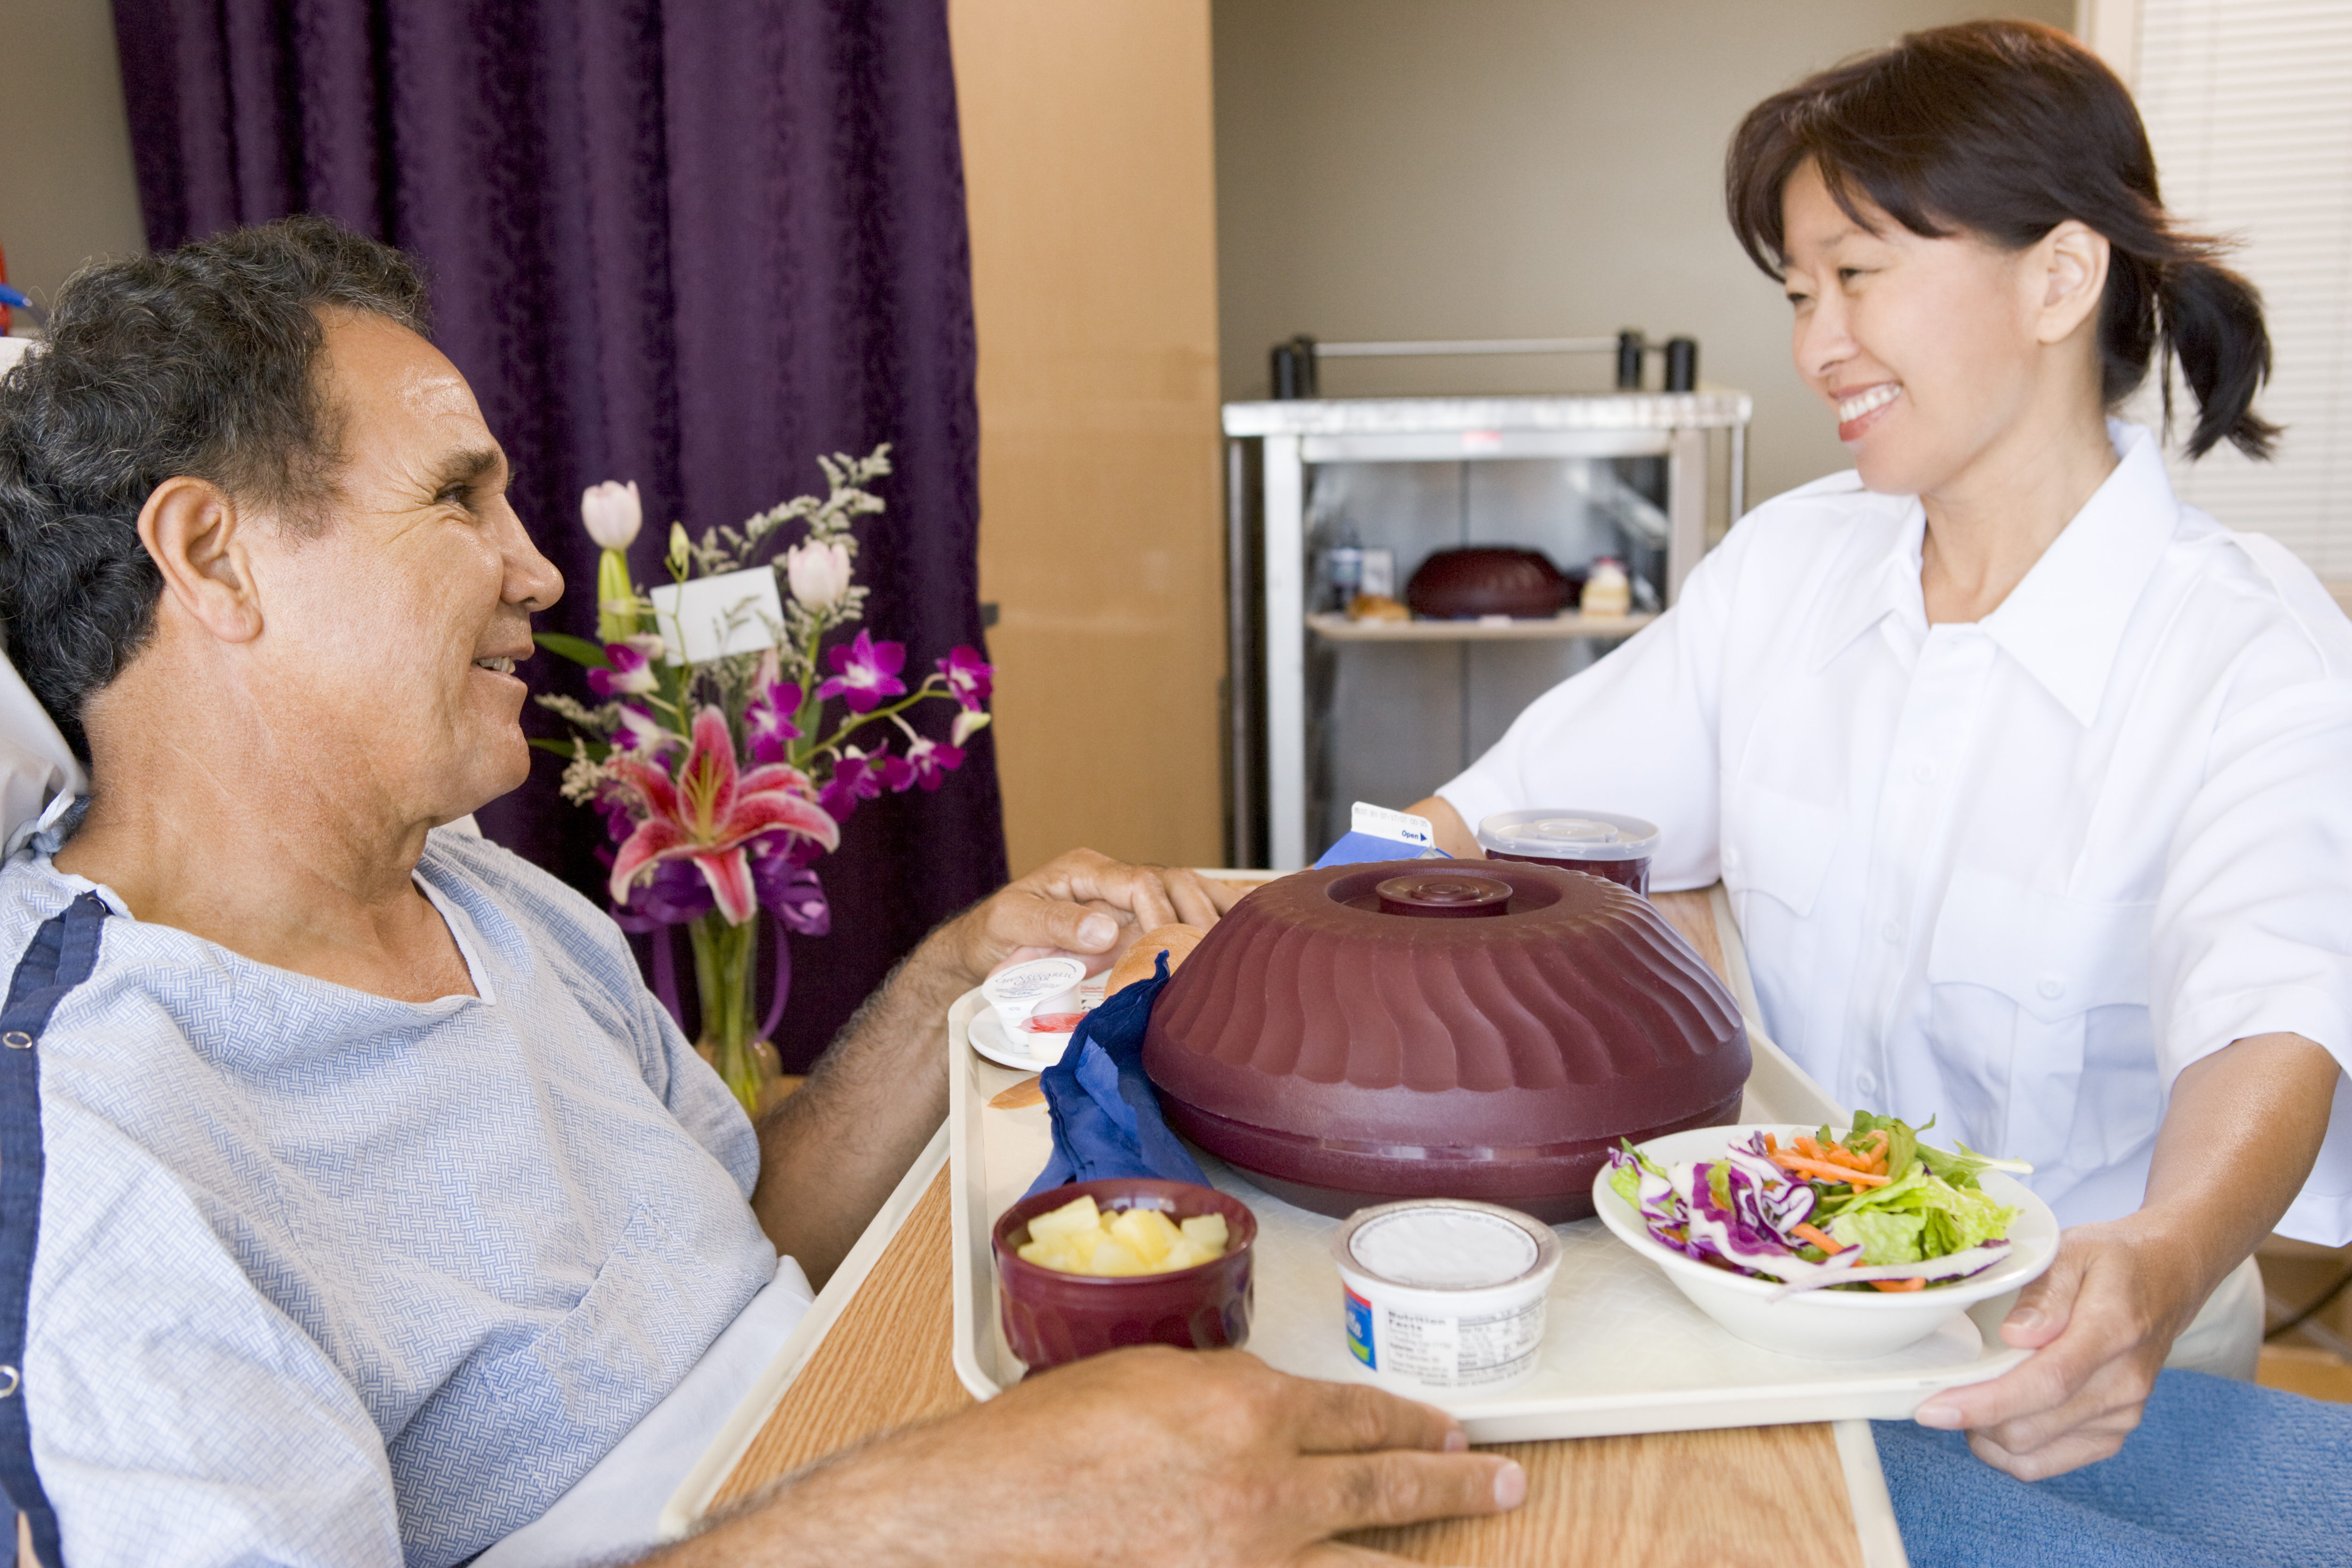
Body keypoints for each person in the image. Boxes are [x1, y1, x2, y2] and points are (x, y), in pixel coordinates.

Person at [0, 219, 1524, 1567]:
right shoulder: (90, 1134)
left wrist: (951, 976)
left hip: (886, 1441)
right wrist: (950, 1523)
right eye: (461, 499)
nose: (538, 572)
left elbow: (739, 1237)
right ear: (213, 556)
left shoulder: (500, 905)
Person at [1409, 19, 2351, 1483]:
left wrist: (2157, 1267)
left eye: (1855, 275)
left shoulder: (2247, 652)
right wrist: (1282, 936)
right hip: (1763, 1321)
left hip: (2080, 1364)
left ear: (2058, 276)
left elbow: (2268, 1023)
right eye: (1799, 291)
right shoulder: (1790, 568)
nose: (1814, 344)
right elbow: (1496, 825)